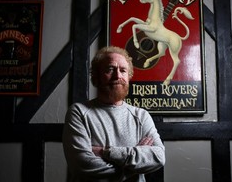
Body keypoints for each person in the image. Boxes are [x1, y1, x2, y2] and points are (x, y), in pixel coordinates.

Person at [62, 46, 165, 182]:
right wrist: (135, 162)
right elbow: (83, 166)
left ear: (128, 77)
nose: (117, 76)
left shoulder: (141, 116)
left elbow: (158, 157)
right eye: (110, 69)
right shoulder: (79, 112)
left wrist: (107, 152)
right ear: (96, 76)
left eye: (123, 70)